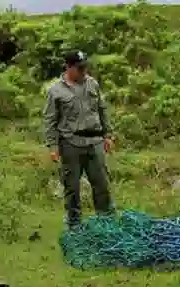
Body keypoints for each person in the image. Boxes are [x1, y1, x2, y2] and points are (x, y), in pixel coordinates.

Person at [43, 50, 116, 230]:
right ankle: (74, 225)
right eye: (79, 68)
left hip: (95, 141)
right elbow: (50, 119)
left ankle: (106, 222)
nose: (83, 71)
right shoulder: (55, 91)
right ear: (68, 67)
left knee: (101, 184)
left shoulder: (93, 84)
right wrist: (53, 146)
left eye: (85, 67)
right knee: (72, 187)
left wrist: (108, 135)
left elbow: (102, 109)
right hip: (70, 143)